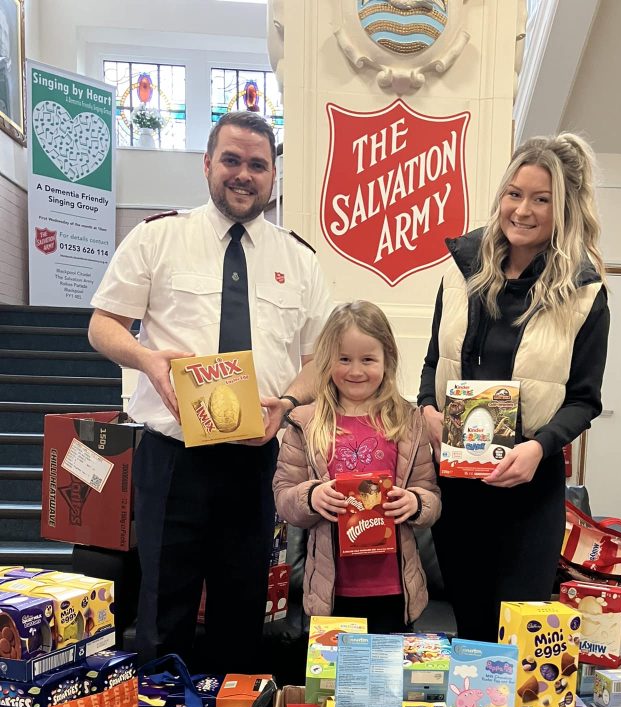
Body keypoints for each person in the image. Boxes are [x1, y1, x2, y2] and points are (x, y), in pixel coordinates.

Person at [89, 110, 332, 670]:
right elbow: (102, 325)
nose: (243, 174)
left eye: (257, 165)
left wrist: (290, 404)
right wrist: (149, 361)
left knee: (242, 604)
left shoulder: (299, 260)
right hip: (173, 457)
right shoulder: (158, 237)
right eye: (231, 160)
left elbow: (320, 360)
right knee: (162, 603)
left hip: (255, 462)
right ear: (206, 164)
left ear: (273, 176)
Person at [418, 132, 609, 642]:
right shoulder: (460, 269)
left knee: (517, 635)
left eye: (541, 199)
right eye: (514, 194)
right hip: (457, 485)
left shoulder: (584, 293)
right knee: (472, 625)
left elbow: (585, 399)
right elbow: (435, 359)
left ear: (562, 209)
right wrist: (426, 408)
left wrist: (537, 449)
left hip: (528, 485)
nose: (522, 209)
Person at [273, 301, 441, 633]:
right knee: (333, 685)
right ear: (327, 361)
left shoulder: (409, 422)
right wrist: (311, 497)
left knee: (387, 683)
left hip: (395, 592)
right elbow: (283, 496)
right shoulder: (305, 423)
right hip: (332, 592)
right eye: (344, 359)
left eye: (368, 360)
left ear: (387, 360)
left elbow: (431, 496)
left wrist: (416, 502)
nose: (355, 371)